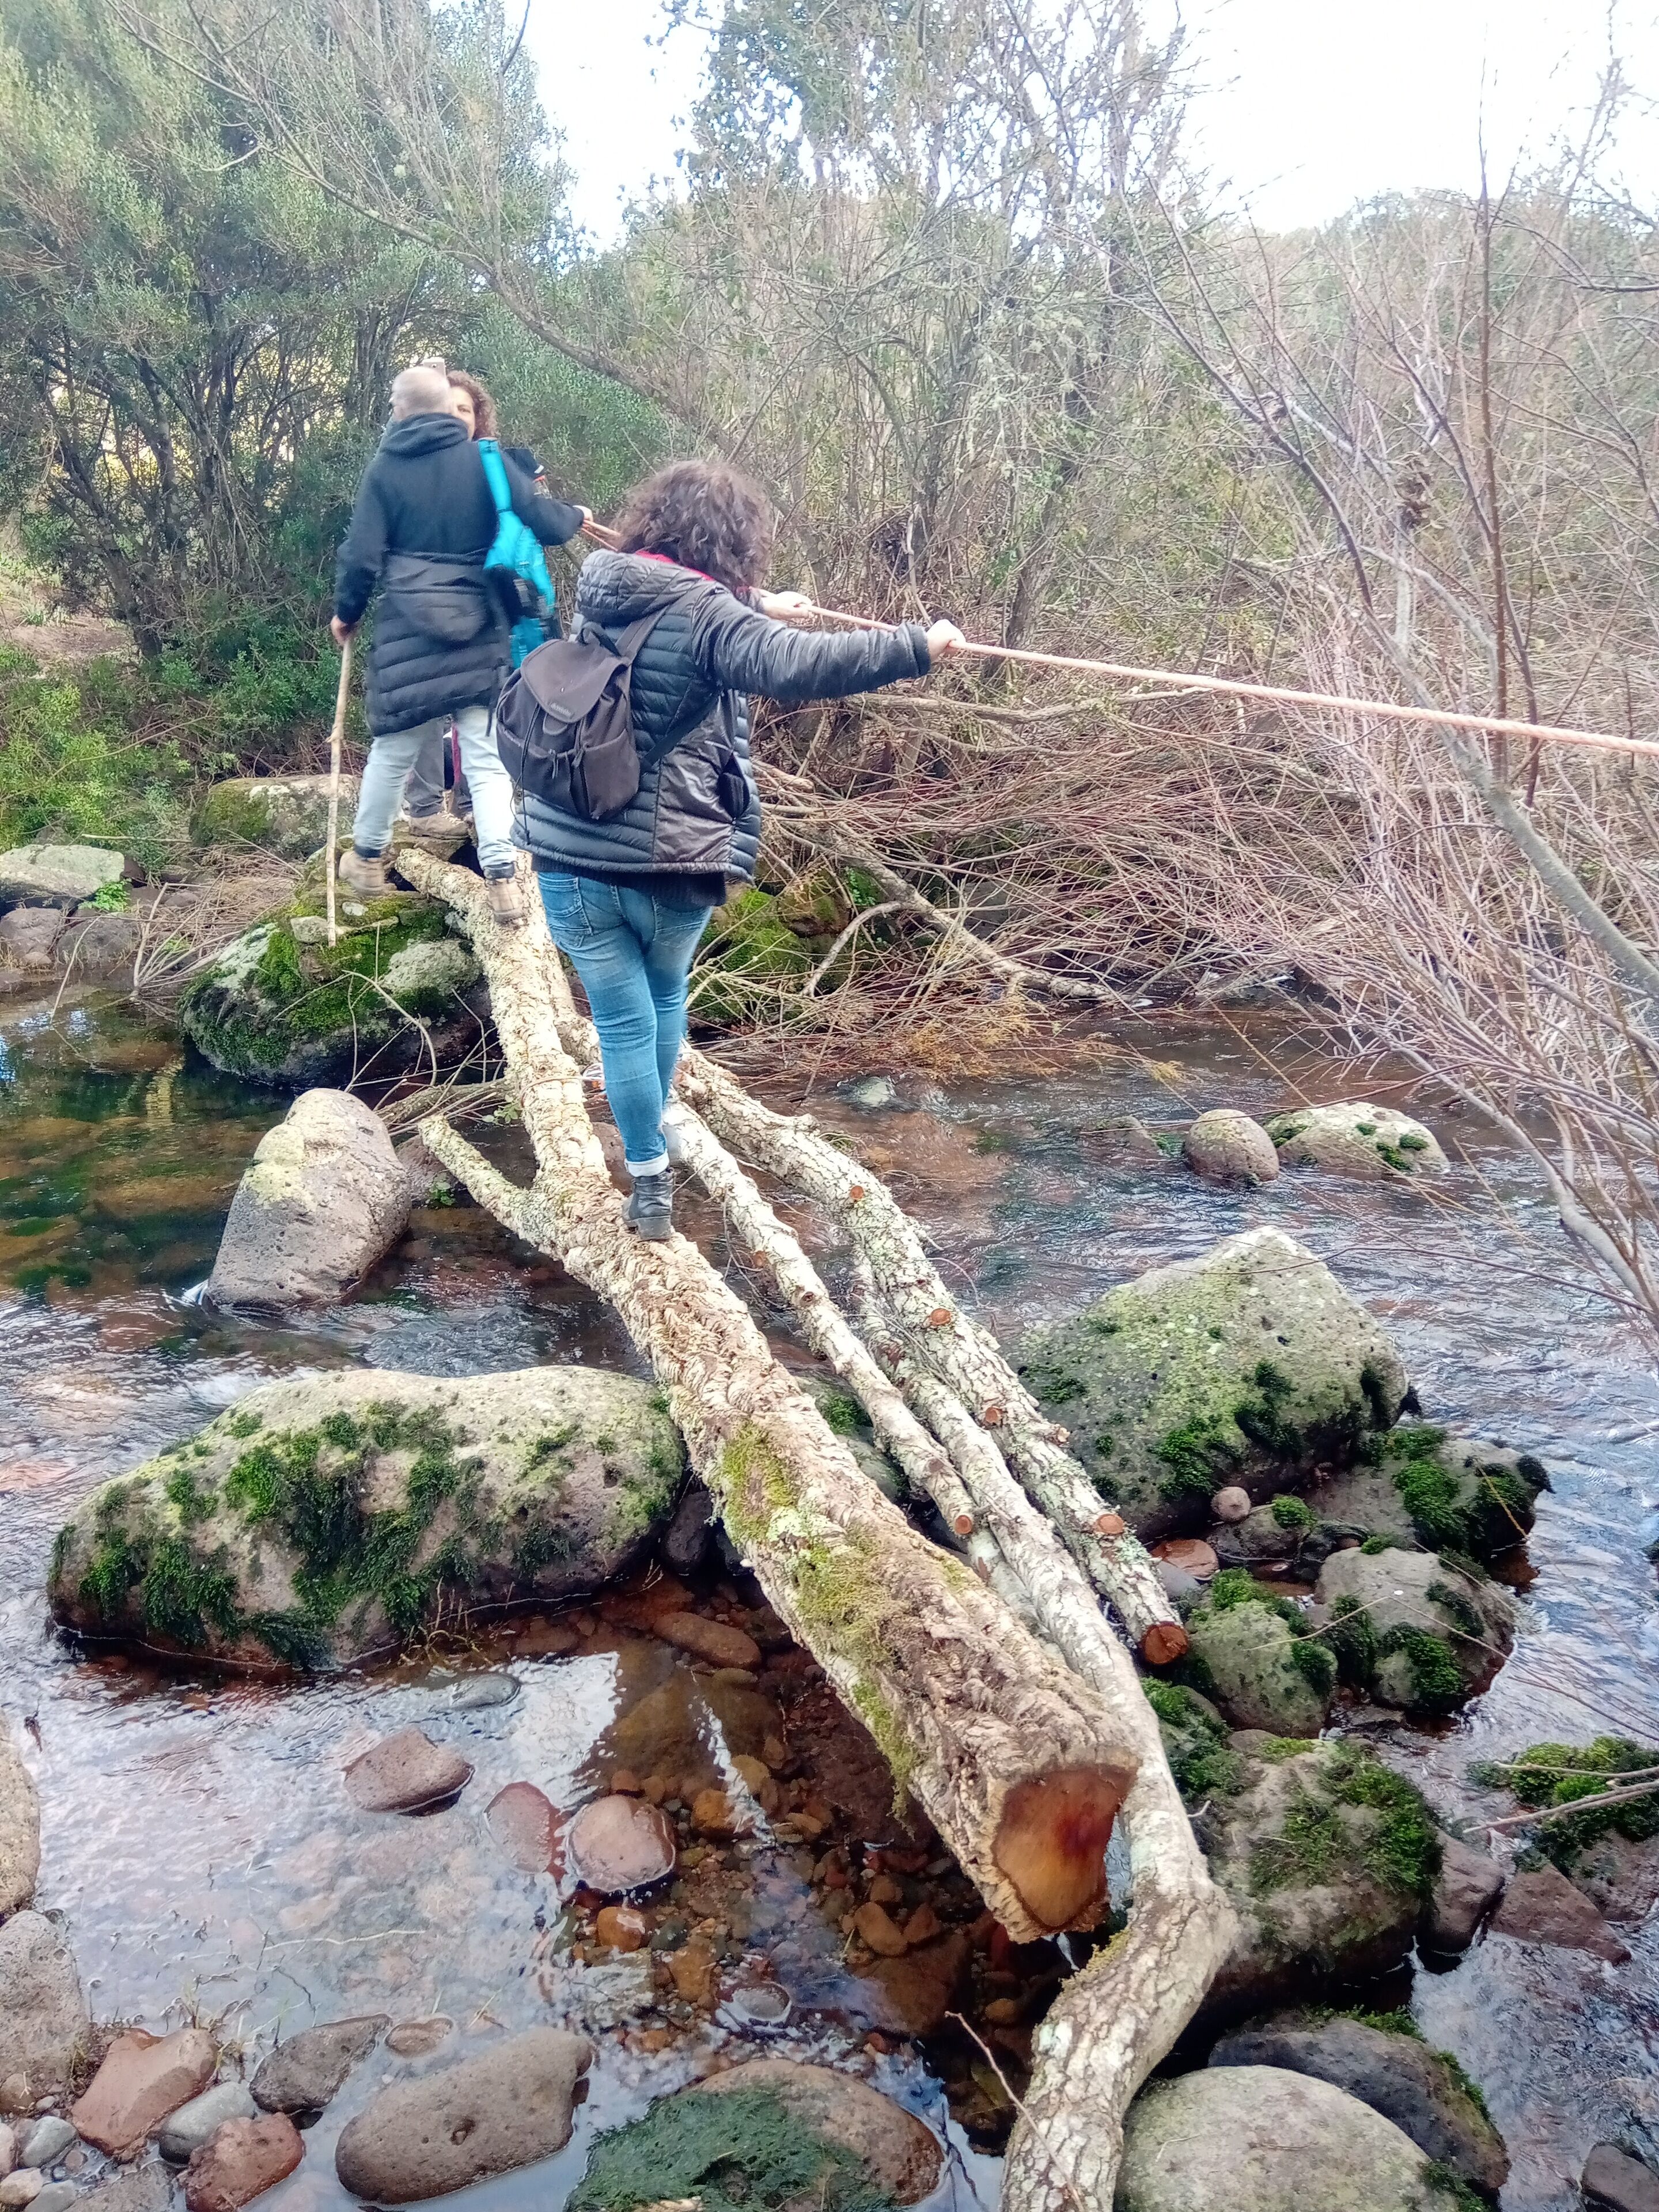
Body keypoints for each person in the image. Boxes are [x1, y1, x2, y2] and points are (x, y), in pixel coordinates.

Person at [518, 456, 964, 1240]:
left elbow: (673, 609)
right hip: (670, 857)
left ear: (655, 521)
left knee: (620, 1022)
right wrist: (915, 647)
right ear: (732, 542)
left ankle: (648, 1181)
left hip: (569, 847)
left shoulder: (604, 584)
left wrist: (760, 604)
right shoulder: (712, 616)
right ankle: (657, 1134)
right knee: (663, 1001)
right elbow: (793, 664)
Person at [330, 360, 589, 926]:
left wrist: (346, 614)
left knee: (392, 752)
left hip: (408, 634)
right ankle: (503, 879)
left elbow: (362, 556)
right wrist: (577, 515)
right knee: (487, 758)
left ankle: (367, 861)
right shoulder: (486, 460)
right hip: (478, 629)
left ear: (403, 408)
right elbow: (544, 521)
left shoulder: (385, 469)